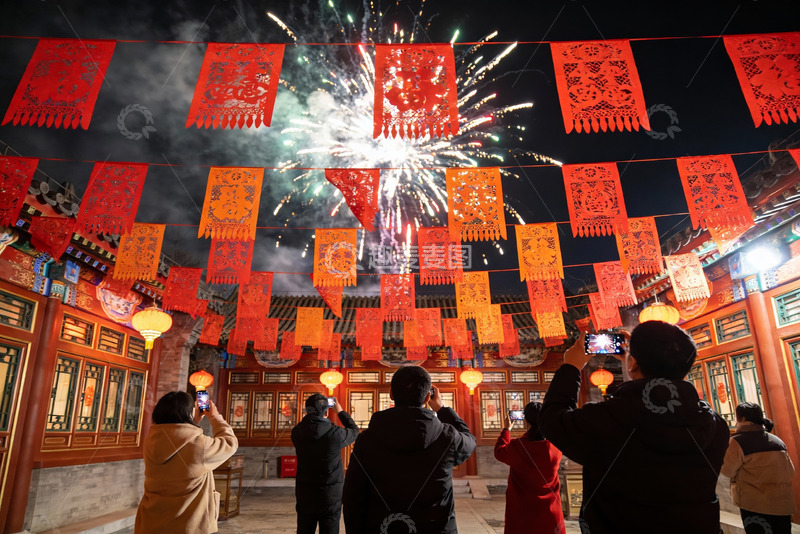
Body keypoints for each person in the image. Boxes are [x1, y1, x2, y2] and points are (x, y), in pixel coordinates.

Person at [540, 322, 730, 534]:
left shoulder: (609, 419)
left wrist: (571, 367)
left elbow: (552, 420)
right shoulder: (714, 425)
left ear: (633, 364)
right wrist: (636, 360)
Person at [342, 365, 476, 533]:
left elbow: (353, 496)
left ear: (391, 394)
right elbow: (470, 440)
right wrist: (442, 410)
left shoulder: (367, 439)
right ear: (428, 397)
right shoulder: (448, 437)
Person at [135, 391, 238, 534]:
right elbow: (229, 443)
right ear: (187, 414)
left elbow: (177, 436)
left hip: (151, 521)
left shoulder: (151, 441)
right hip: (188, 524)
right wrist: (214, 417)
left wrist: (192, 422)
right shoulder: (199, 446)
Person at [721, 402, 796, 534]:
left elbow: (727, 471)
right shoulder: (777, 441)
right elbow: (791, 471)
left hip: (754, 505)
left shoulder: (738, 441)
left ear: (742, 419)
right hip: (782, 504)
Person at [291, 393, 359, 534]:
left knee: (304, 529)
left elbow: (307, 425)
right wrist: (340, 412)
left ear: (306, 410)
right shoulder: (336, 434)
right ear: (327, 411)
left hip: (305, 493)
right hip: (331, 495)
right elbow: (354, 431)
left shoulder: (297, 432)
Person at [494, 402, 565, 534]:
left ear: (525, 421)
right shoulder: (555, 445)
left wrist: (506, 430)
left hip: (523, 510)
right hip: (550, 508)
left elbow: (499, 452)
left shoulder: (518, 446)